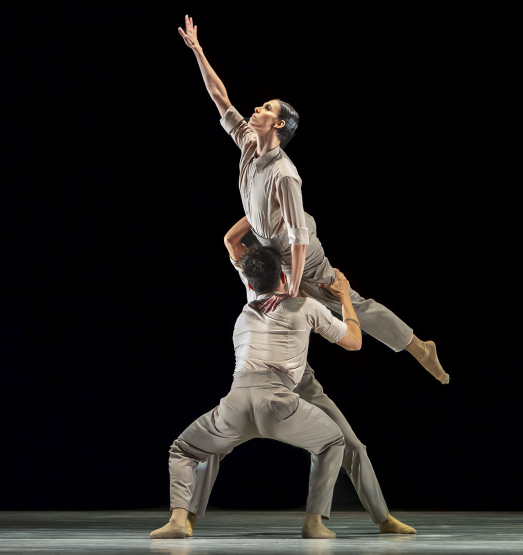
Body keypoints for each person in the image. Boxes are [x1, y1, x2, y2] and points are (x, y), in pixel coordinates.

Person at [177, 15, 449, 383]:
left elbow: (298, 237)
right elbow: (219, 97)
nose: (256, 109)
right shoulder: (246, 142)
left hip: (295, 246)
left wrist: (293, 282)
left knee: (343, 301)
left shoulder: (285, 174)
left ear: (277, 126)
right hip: (272, 233)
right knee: (268, 282)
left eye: (266, 109)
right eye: (260, 106)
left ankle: (417, 345)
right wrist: (199, 51)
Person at [177, 218, 420, 538]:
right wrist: (261, 209)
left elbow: (231, 241)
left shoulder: (263, 278)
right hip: (262, 374)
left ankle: (383, 518)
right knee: (216, 445)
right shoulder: (258, 277)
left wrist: (263, 209)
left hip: (297, 376)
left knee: (352, 445)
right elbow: (354, 340)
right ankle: (189, 520)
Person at [150, 245, 362, 540]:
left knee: (184, 449)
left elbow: (230, 241)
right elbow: (354, 342)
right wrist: (344, 298)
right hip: (278, 401)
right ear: (285, 279)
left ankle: (179, 520)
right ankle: (314, 522)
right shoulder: (304, 306)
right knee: (332, 441)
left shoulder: (245, 313)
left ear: (250, 284)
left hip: (235, 404)